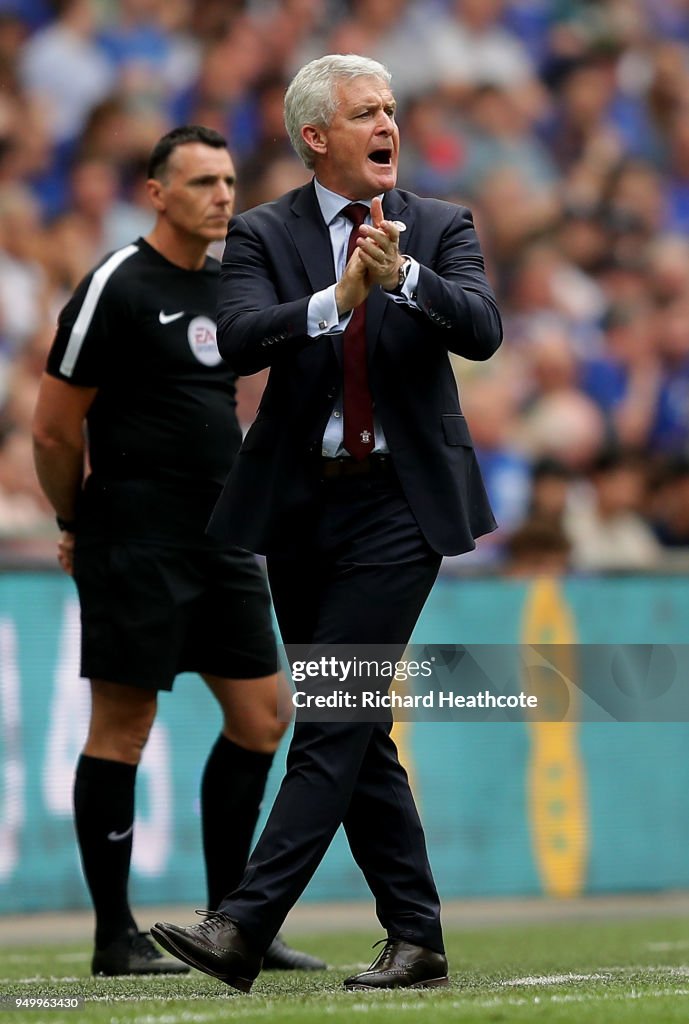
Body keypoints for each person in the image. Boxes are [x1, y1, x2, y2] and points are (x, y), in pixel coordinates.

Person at [152, 55, 502, 992]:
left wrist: (403, 281)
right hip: (302, 507)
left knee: (333, 711)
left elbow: (481, 328)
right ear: (316, 137)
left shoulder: (438, 225)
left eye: (391, 107)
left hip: (402, 504)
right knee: (357, 726)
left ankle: (242, 923)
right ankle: (416, 935)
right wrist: (334, 302)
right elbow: (234, 337)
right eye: (365, 112)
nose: (388, 122)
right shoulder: (264, 233)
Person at [31, 125, 326, 977]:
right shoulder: (116, 284)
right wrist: (75, 521)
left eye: (229, 181)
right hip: (134, 539)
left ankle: (234, 923)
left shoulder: (226, 287)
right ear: (155, 193)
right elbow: (54, 428)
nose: (223, 196)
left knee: (262, 717)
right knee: (123, 730)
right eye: (201, 182)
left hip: (221, 537)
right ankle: (113, 936)